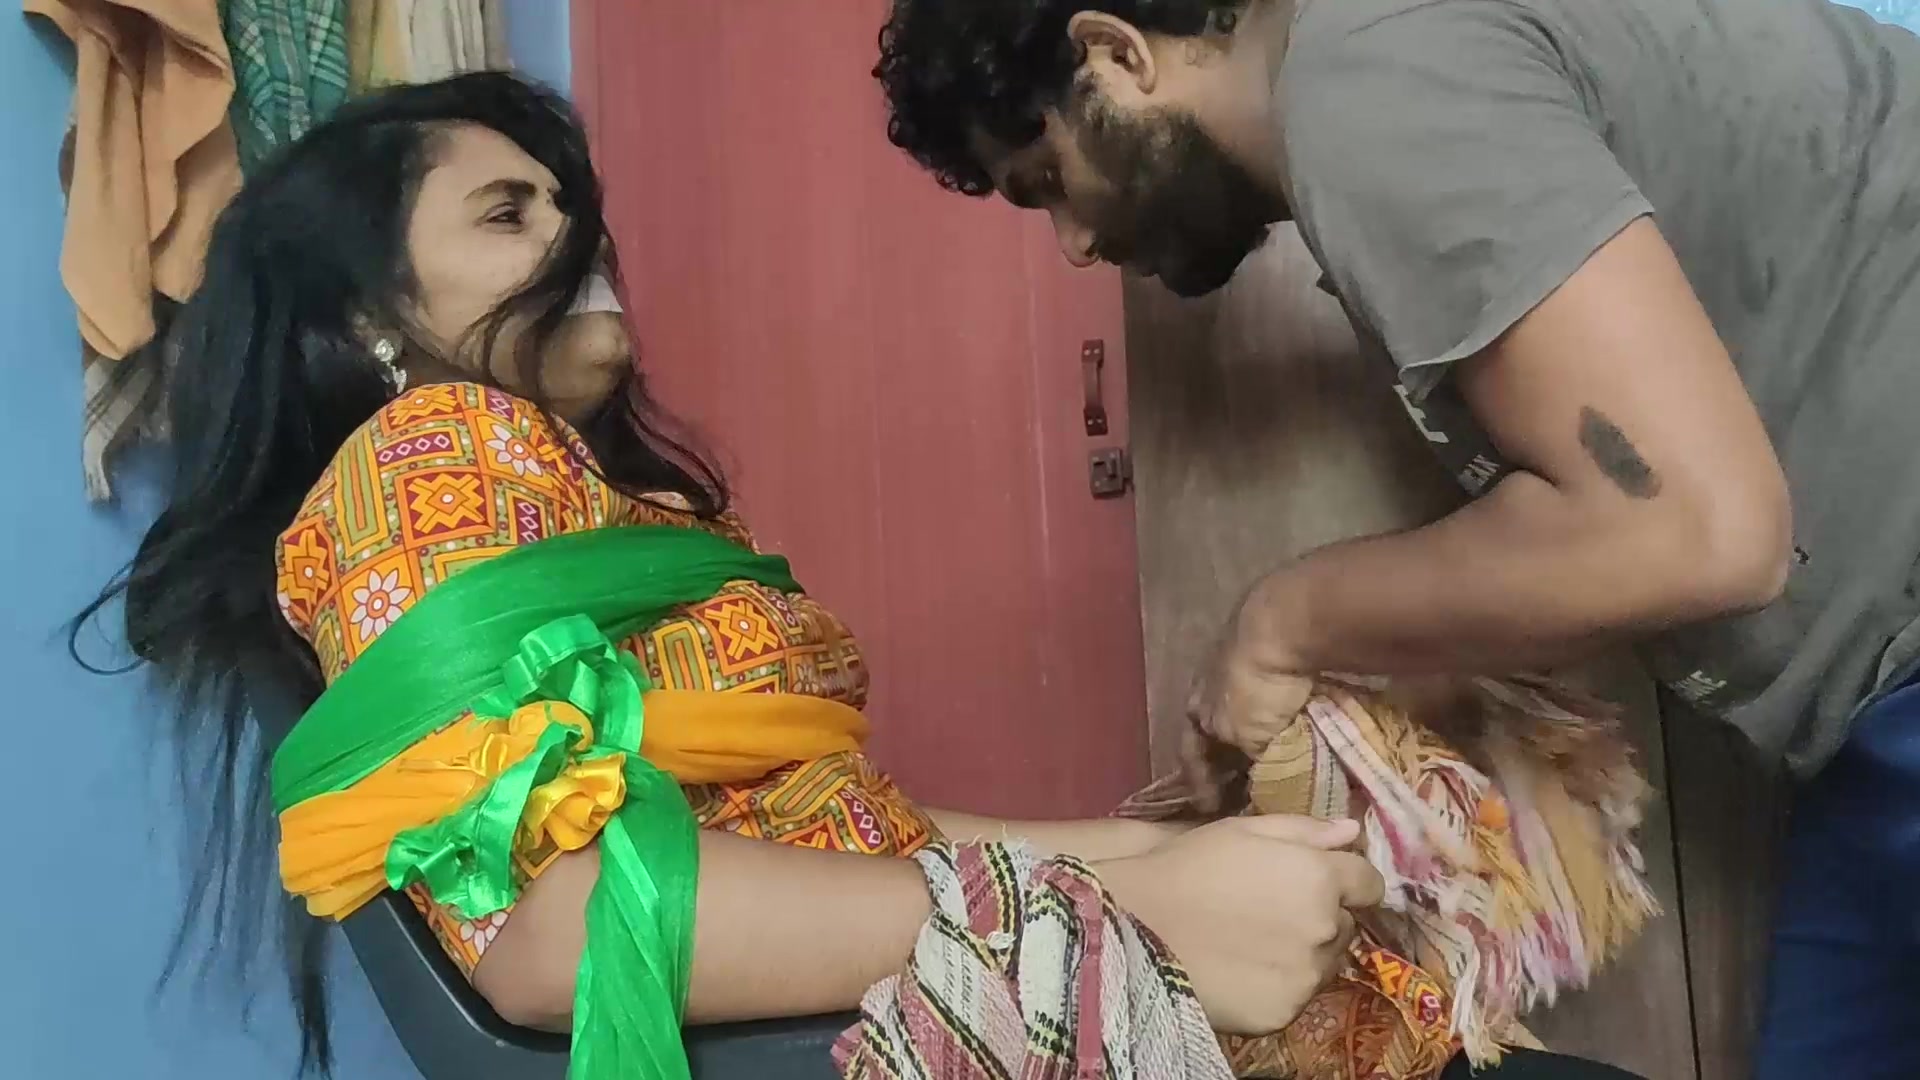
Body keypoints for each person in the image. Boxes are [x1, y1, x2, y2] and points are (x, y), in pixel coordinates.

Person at [73, 70, 1431, 1080]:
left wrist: (1135, 852)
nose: (578, 240)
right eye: (507, 213)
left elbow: (825, 824)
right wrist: (1130, 910)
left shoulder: (584, 496)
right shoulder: (429, 454)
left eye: (572, 207)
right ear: (370, 313)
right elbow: (554, 929)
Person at [874, 0, 1920, 1076]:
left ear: (1115, 53)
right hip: (1869, 722)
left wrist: (1281, 624)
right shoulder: (1388, 73)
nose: (1076, 243)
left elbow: (1692, 531)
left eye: (1048, 180)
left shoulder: (1370, 81)